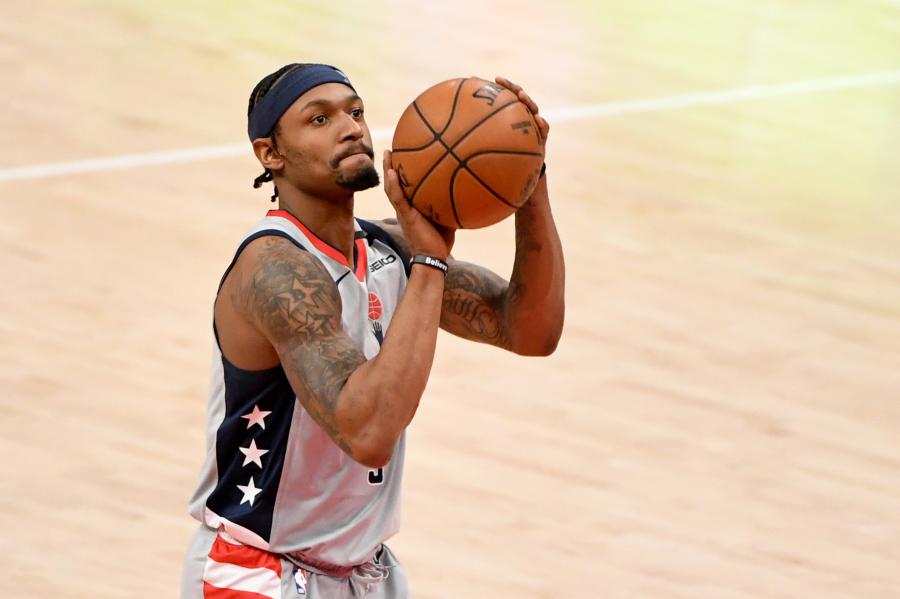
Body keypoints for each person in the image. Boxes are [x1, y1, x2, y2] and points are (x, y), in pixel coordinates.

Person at [181, 63, 565, 598]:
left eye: (355, 112)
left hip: (363, 570)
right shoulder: (276, 272)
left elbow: (529, 330)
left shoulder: (388, 249)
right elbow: (367, 433)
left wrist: (531, 181)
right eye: (319, 118)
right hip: (259, 571)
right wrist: (429, 262)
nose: (350, 127)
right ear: (271, 154)